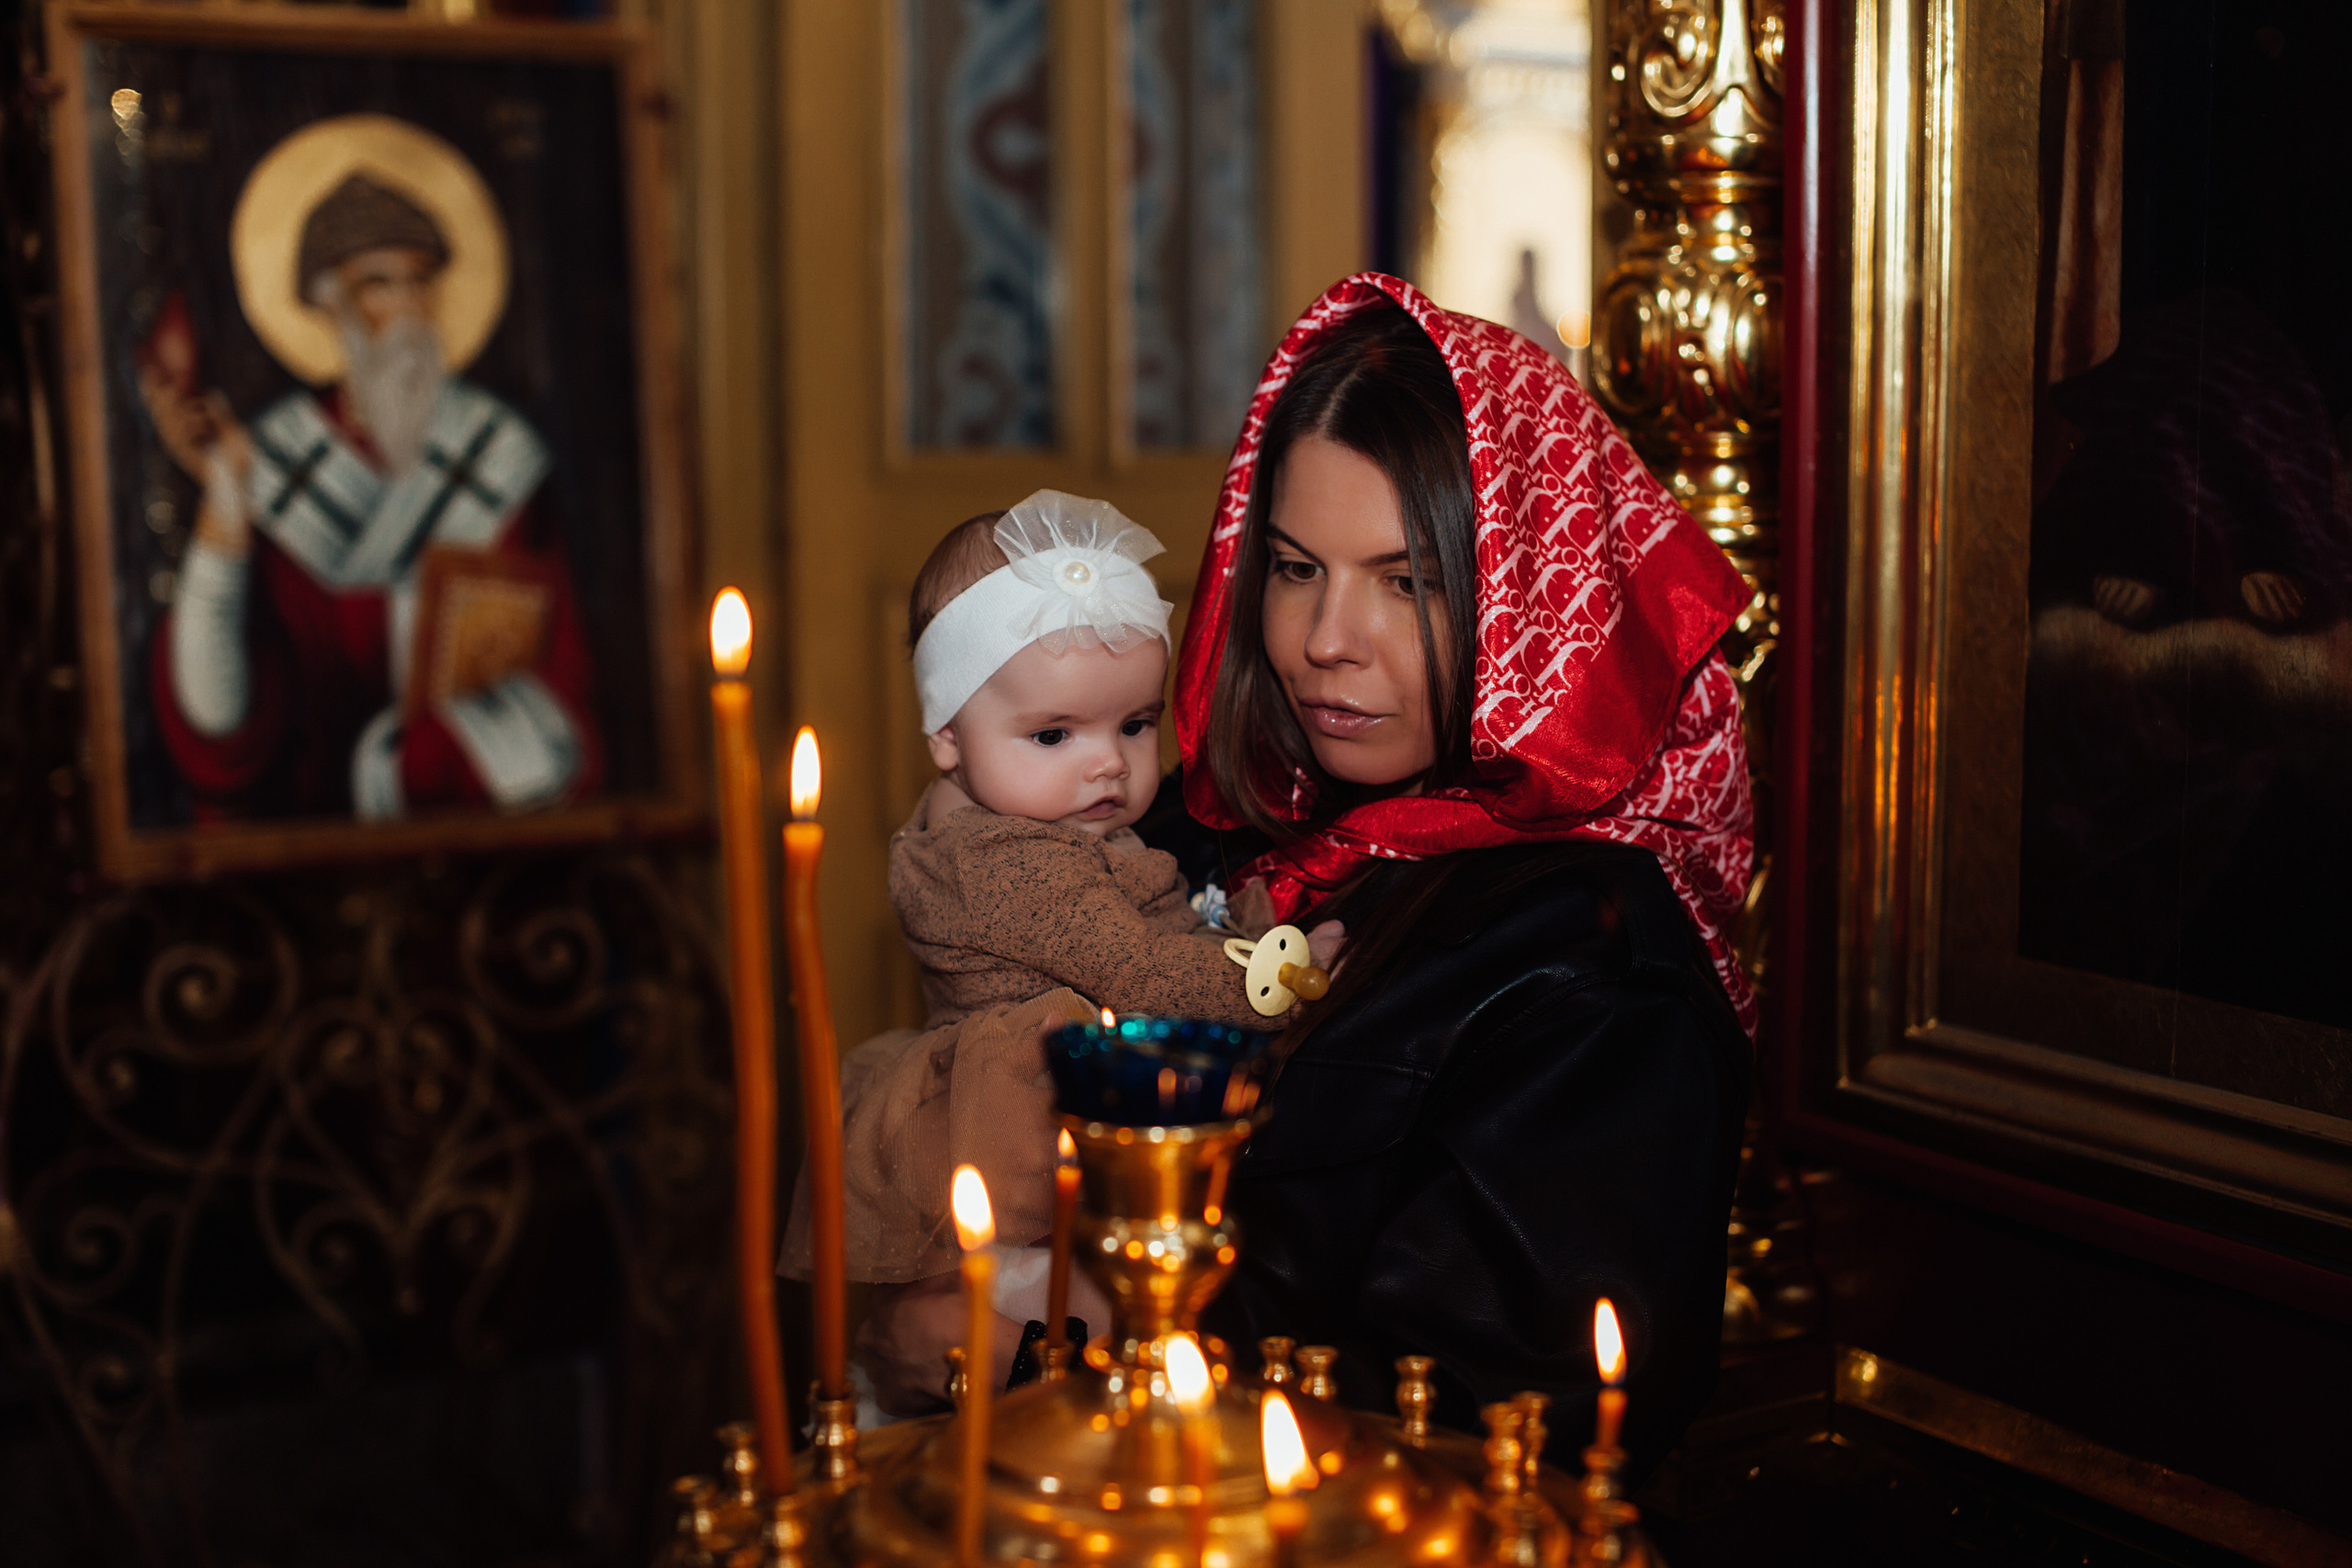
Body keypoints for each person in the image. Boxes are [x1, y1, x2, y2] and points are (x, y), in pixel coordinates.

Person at [1149, 273, 1755, 1482]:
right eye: (1294, 566)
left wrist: (1045, 1349)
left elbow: (1482, 1444)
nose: (1328, 638)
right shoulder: (1234, 835)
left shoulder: (1592, 967)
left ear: (1528, 595)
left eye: (1408, 580)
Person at [782, 491, 1339, 1415]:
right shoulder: (1002, 864)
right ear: (946, 738)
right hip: (1018, 1160)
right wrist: (1278, 982)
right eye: (1053, 735)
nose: (1108, 766)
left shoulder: (1045, 818)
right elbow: (1142, 971)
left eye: (1133, 724)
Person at [141, 170, 599, 823]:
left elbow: (561, 681)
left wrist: (415, 764)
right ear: (327, 306)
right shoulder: (272, 461)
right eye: (379, 283)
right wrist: (226, 500)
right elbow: (220, 728)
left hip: (472, 835)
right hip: (303, 856)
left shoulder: (498, 455)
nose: (410, 307)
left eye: (421, 280)